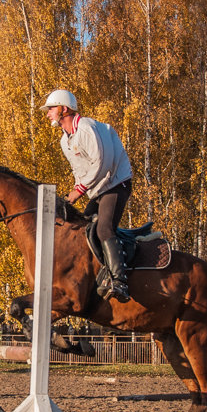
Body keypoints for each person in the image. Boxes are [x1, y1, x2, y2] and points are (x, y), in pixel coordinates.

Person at [40, 89, 133, 303]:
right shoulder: (65, 141)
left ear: (64, 109)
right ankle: (98, 274)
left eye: (51, 109)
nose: (48, 114)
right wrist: (76, 189)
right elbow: (80, 171)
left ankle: (120, 281)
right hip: (98, 188)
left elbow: (103, 163)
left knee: (104, 228)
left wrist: (78, 191)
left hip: (117, 183)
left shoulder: (86, 128)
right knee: (83, 227)